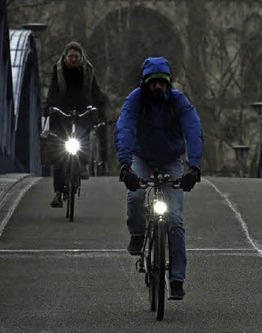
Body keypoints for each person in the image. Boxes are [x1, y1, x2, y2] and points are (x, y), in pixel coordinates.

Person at [114, 56, 203, 299]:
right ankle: (137, 234)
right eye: (153, 83)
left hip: (171, 160)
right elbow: (124, 127)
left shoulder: (178, 102)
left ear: (168, 84)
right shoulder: (135, 100)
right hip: (141, 157)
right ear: (145, 83)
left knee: (174, 220)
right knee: (136, 196)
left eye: (162, 83)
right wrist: (125, 166)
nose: (157, 88)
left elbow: (193, 130)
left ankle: (176, 279)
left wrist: (193, 168)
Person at [44, 41, 106, 208]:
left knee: (83, 134)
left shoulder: (87, 70)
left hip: (82, 108)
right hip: (62, 109)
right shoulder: (58, 70)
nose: (73, 60)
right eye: (70, 56)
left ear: (81, 57)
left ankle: (83, 164)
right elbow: (53, 89)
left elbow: (95, 90)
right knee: (60, 153)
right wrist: (49, 107)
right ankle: (58, 193)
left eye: (76, 57)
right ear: (65, 56)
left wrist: (99, 109)